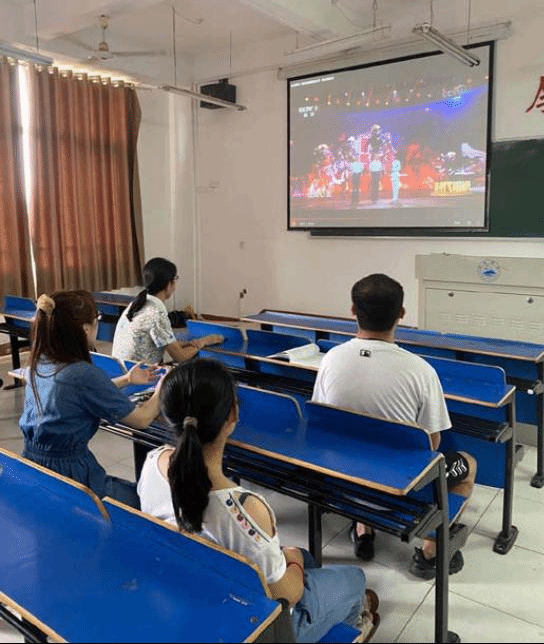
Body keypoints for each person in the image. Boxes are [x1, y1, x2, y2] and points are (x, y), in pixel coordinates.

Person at [138, 359, 381, 643]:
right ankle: (354, 622)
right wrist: (293, 563)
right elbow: (287, 594)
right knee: (355, 579)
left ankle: (322, 596)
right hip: (260, 628)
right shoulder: (244, 509)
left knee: (306, 557)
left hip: (196, 595)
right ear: (233, 414)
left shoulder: (152, 462)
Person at [312, 274, 476, 579]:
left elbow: (321, 420)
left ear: (353, 311)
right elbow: (432, 444)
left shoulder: (331, 359)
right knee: (467, 464)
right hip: (400, 491)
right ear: (401, 314)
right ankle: (430, 553)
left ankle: (363, 528)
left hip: (342, 482)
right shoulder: (421, 371)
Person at [20, 290, 163, 509]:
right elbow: (142, 419)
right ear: (86, 328)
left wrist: (126, 379)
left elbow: (77, 393)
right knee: (148, 502)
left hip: (32, 470)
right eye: (97, 319)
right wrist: (164, 386)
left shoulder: (41, 362)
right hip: (71, 477)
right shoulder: (82, 373)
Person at [112, 257, 223, 364]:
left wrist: (178, 344)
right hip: (137, 374)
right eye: (175, 280)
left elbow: (146, 340)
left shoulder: (136, 304)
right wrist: (203, 342)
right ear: (168, 285)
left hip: (119, 370)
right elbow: (180, 357)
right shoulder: (157, 314)